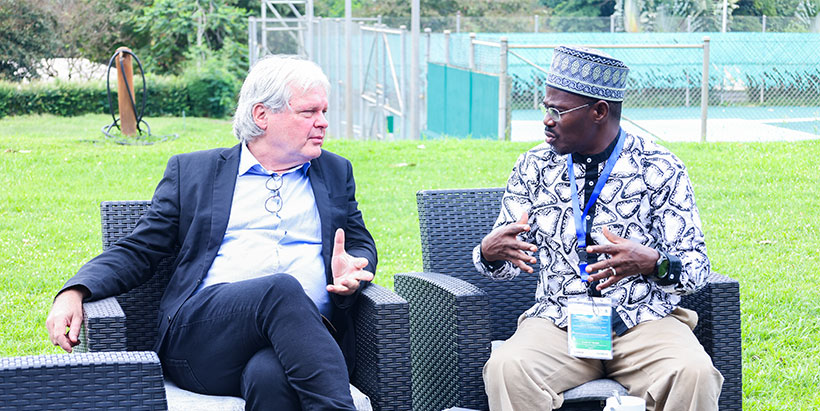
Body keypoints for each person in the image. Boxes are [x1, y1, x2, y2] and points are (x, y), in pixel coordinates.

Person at [45, 55, 376, 410]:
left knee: (271, 378)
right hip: (204, 340)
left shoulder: (335, 172)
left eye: (324, 111)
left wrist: (356, 264)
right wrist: (75, 290)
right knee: (280, 288)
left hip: (303, 340)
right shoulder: (194, 172)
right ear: (261, 116)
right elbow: (139, 249)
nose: (323, 123)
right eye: (309, 112)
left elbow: (357, 241)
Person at [475, 46, 723, 410]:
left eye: (558, 110)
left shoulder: (660, 166)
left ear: (599, 111)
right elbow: (509, 262)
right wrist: (489, 253)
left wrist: (653, 262)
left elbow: (696, 269)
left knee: (694, 372)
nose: (547, 120)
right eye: (546, 108)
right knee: (507, 367)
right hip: (559, 322)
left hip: (643, 322)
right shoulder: (533, 167)